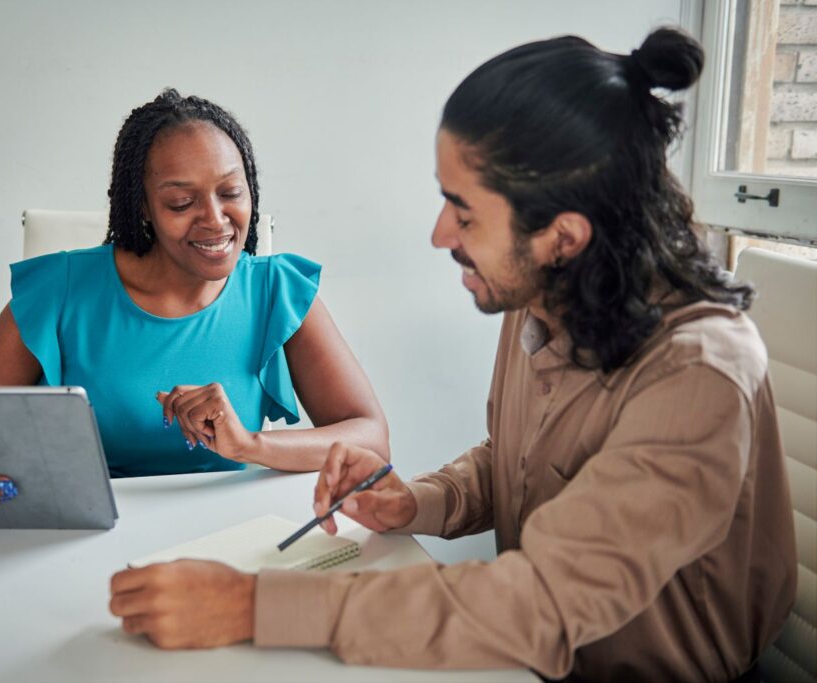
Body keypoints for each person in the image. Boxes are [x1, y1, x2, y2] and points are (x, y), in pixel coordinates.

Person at [107, 29, 797, 683]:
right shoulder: (544, 290)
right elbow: (520, 464)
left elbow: (541, 601)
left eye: (464, 212)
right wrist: (416, 501)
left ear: (563, 235)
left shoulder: (699, 369)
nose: (441, 234)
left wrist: (250, 605)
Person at [0, 89, 389, 520]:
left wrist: (252, 446)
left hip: (228, 537)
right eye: (181, 203)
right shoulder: (61, 289)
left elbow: (372, 437)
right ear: (143, 208)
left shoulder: (276, 289)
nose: (216, 220)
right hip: (84, 539)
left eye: (231, 193)